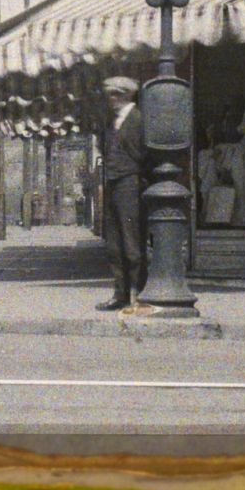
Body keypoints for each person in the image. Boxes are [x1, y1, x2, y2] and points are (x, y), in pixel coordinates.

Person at [97, 75, 152, 315]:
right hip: (113, 182)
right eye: (110, 94)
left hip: (131, 182)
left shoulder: (139, 119)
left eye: (115, 94)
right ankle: (120, 294)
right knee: (114, 242)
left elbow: (145, 152)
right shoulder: (113, 122)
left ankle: (138, 293)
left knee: (131, 242)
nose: (111, 99)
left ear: (127, 95)